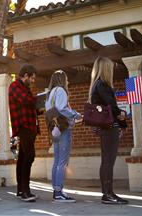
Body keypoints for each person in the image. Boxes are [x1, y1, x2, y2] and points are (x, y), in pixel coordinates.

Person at [88, 56, 128, 204]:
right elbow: (111, 106)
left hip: (105, 127)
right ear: (105, 69)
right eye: (110, 67)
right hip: (109, 127)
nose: (112, 70)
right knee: (108, 161)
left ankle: (108, 193)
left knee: (107, 161)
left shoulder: (97, 85)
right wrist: (122, 117)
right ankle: (107, 195)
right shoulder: (103, 85)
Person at [45, 70, 81, 203]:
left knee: (57, 161)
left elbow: (52, 110)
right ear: (62, 79)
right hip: (63, 128)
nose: (68, 82)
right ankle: (59, 192)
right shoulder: (60, 90)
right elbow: (62, 108)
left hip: (55, 129)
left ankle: (56, 190)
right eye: (66, 79)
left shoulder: (50, 93)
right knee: (62, 162)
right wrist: (75, 114)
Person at [8, 64, 39, 202]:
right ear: (25, 75)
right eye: (31, 78)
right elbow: (26, 101)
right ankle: (26, 191)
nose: (33, 81)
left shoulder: (25, 87)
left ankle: (21, 190)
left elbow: (27, 105)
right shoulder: (15, 86)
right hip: (23, 126)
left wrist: (39, 109)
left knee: (22, 157)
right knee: (29, 156)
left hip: (30, 126)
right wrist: (39, 100)